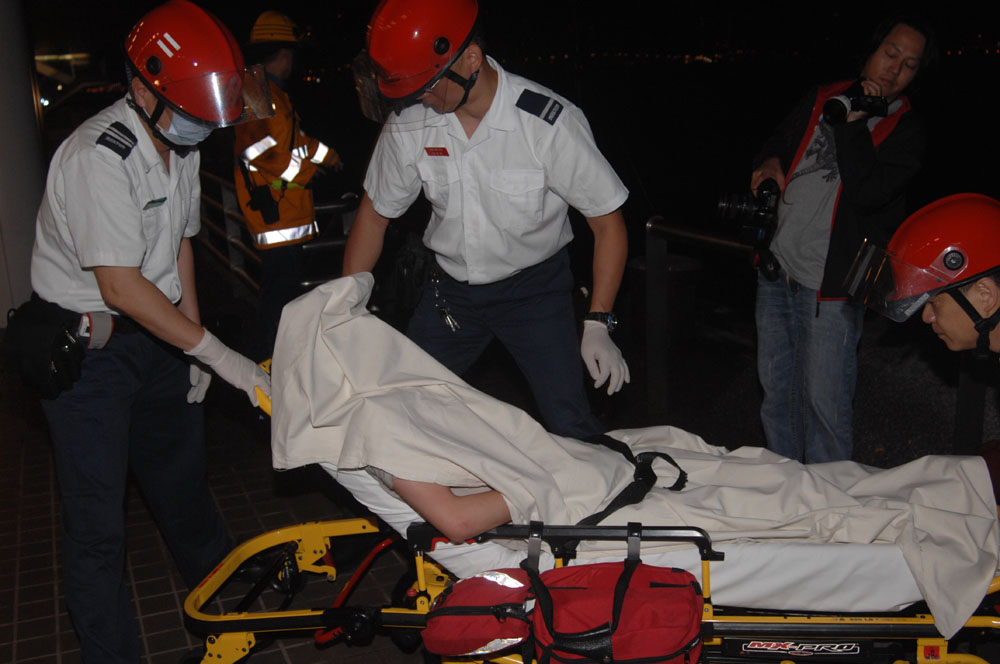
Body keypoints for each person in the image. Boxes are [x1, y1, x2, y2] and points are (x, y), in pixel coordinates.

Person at [26, 2, 271, 661]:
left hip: (161, 338)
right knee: (97, 527)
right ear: (141, 89)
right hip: (90, 356)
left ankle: (231, 619)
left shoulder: (179, 143)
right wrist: (218, 355)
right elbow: (120, 286)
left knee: (184, 490)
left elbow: (180, 245)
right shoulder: (98, 158)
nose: (203, 126)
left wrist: (190, 338)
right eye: (190, 111)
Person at [342, 0, 630, 439]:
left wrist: (598, 322)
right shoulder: (411, 122)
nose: (419, 97)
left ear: (471, 59)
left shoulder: (547, 123)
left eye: (427, 84)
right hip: (451, 295)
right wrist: (346, 303)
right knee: (402, 406)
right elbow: (374, 215)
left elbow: (607, 223)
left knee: (569, 423)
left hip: (534, 293)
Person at [750, 16, 935, 463]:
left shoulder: (908, 130)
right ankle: (784, 487)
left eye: (909, 64)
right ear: (871, 50)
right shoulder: (822, 97)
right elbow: (778, 141)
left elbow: (868, 192)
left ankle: (829, 500)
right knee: (777, 398)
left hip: (832, 288)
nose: (894, 69)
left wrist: (854, 124)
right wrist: (769, 162)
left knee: (826, 409)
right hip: (777, 269)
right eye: (890, 53)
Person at [234, 10, 345, 361]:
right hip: (276, 217)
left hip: (288, 216)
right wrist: (308, 172)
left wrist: (329, 157)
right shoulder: (256, 92)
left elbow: (293, 143)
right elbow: (259, 152)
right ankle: (266, 365)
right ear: (284, 55)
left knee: (284, 298)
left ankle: (278, 361)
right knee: (277, 302)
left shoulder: (274, 96)